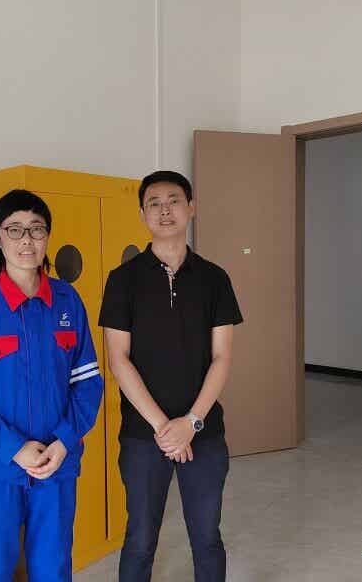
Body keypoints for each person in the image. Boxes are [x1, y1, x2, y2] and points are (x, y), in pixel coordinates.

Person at [0, 189, 103, 582]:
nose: (27, 240)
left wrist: (64, 442)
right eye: (14, 229)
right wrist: (14, 448)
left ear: (47, 236)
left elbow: (87, 384)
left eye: (36, 229)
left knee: (53, 567)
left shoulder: (67, 301)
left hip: (56, 466)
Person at [99, 170, 243, 582]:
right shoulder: (123, 280)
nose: (165, 210)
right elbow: (118, 360)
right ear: (142, 213)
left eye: (174, 200)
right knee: (140, 539)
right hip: (144, 436)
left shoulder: (215, 278)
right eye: (154, 203)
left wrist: (191, 423)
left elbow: (222, 358)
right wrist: (166, 428)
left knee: (207, 537)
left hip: (204, 433)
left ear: (191, 207)